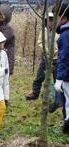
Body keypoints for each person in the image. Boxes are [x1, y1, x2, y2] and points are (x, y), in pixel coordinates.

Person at [26, 13, 59, 101]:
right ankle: (35, 92)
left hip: (56, 59)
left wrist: (57, 52)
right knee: (40, 76)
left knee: (57, 78)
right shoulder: (44, 31)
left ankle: (57, 97)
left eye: (52, 21)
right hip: (46, 58)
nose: (51, 23)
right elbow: (40, 42)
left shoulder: (59, 32)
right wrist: (47, 51)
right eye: (49, 21)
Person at [54, 3, 69, 135]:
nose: (55, 20)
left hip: (67, 76)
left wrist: (59, 78)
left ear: (64, 18)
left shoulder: (65, 36)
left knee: (68, 102)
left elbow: (64, 58)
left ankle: (67, 128)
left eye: (57, 17)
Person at [0, 4, 15, 75]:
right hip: (2, 56)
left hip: (7, 56)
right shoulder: (2, 25)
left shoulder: (8, 27)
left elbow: (0, 41)